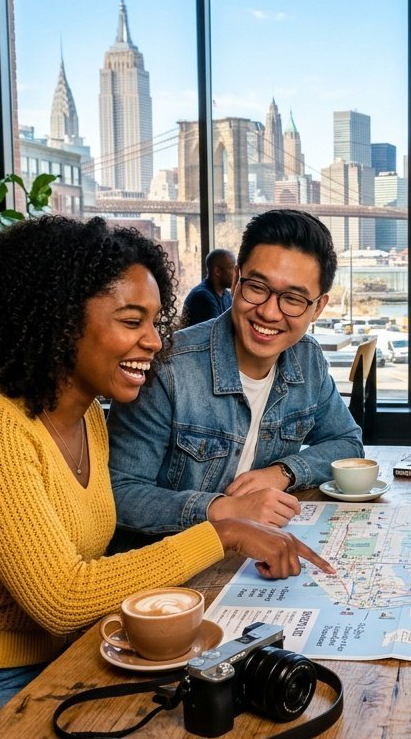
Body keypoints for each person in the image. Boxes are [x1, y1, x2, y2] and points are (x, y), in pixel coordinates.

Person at [0, 216, 332, 739]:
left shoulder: (87, 416)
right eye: (131, 321)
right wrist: (224, 530)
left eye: (154, 321)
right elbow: (64, 600)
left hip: (59, 664)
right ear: (63, 322)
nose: (156, 341)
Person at [108, 209, 363, 537]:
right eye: (257, 288)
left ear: (319, 307)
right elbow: (119, 493)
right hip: (175, 564)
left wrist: (284, 471)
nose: (269, 312)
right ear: (236, 278)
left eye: (294, 299)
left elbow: (347, 442)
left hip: (254, 553)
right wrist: (222, 510)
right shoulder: (168, 366)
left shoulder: (307, 361)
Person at [181, 247, 235, 326]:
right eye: (231, 268)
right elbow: (218, 333)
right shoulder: (202, 297)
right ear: (217, 271)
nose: (236, 273)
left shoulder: (226, 294)